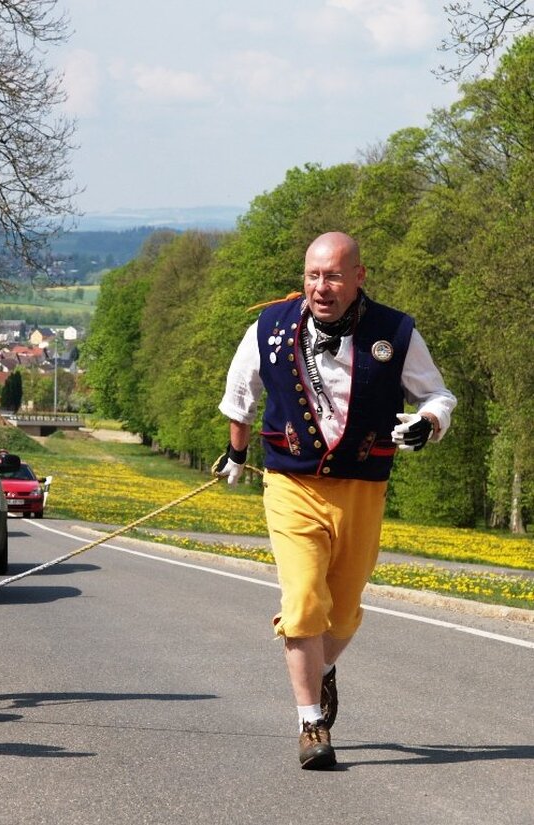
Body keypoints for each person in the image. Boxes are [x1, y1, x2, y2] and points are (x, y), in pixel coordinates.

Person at [216, 232, 456, 770]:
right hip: (291, 484)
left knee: (342, 613)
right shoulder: (271, 327)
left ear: (358, 278)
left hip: (362, 487)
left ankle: (321, 670)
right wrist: (234, 454)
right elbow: (240, 397)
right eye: (313, 276)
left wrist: (429, 422)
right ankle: (311, 724)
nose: (320, 288)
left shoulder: (394, 331)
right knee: (304, 602)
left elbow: (437, 395)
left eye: (333, 276)